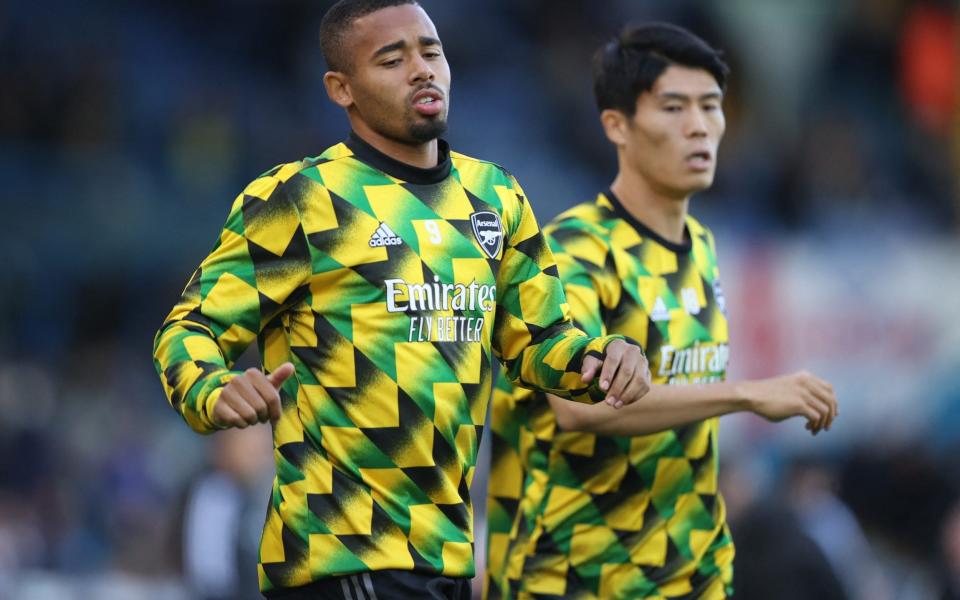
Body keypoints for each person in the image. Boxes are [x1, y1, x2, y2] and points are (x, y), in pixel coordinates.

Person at [152, 1, 652, 598]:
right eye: (392, 60)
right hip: (341, 557)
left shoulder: (494, 196)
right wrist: (213, 387)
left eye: (431, 52)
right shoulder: (303, 199)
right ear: (342, 89)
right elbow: (187, 330)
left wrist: (603, 361)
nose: (421, 70)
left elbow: (537, 341)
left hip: (446, 555)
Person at [485, 23, 839, 600]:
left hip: (688, 575)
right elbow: (578, 407)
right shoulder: (574, 250)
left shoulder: (699, 244)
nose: (700, 126)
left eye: (711, 107)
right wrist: (747, 395)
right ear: (617, 126)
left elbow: (678, 402)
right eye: (674, 107)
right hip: (576, 578)